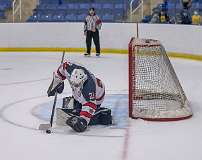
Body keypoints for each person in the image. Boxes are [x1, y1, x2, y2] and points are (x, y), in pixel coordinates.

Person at [47, 60, 112, 132]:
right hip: (85, 90)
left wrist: (83, 120)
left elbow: (91, 106)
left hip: (98, 96)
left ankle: (100, 113)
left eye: (77, 85)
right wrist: (58, 81)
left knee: (87, 114)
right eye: (73, 83)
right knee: (76, 106)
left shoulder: (89, 89)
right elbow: (62, 68)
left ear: (82, 81)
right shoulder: (69, 68)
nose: (74, 86)